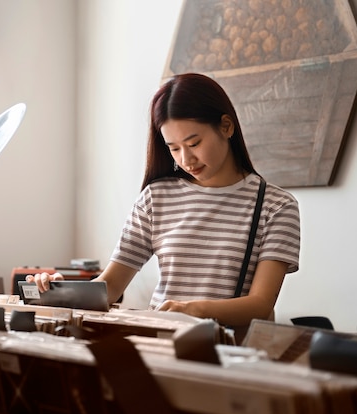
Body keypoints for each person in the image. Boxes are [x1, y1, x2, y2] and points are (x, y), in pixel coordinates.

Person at [28, 73, 300, 343]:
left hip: (229, 357)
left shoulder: (275, 206)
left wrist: (191, 310)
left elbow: (260, 304)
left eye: (194, 143)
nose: (186, 159)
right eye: (174, 148)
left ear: (226, 127)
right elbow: (109, 287)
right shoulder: (156, 198)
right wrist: (59, 291)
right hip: (158, 344)